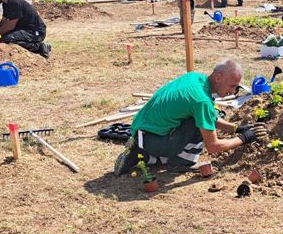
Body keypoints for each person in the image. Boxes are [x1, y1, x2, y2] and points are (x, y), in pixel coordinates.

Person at [113, 59, 267, 176]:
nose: (233, 92)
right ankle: (180, 163)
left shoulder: (194, 78)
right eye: (232, 86)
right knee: (197, 125)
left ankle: (142, 156)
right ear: (219, 77)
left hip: (143, 132)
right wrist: (244, 138)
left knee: (199, 119)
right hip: (152, 138)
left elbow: (209, 116)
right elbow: (213, 146)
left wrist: (236, 128)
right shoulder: (201, 100)